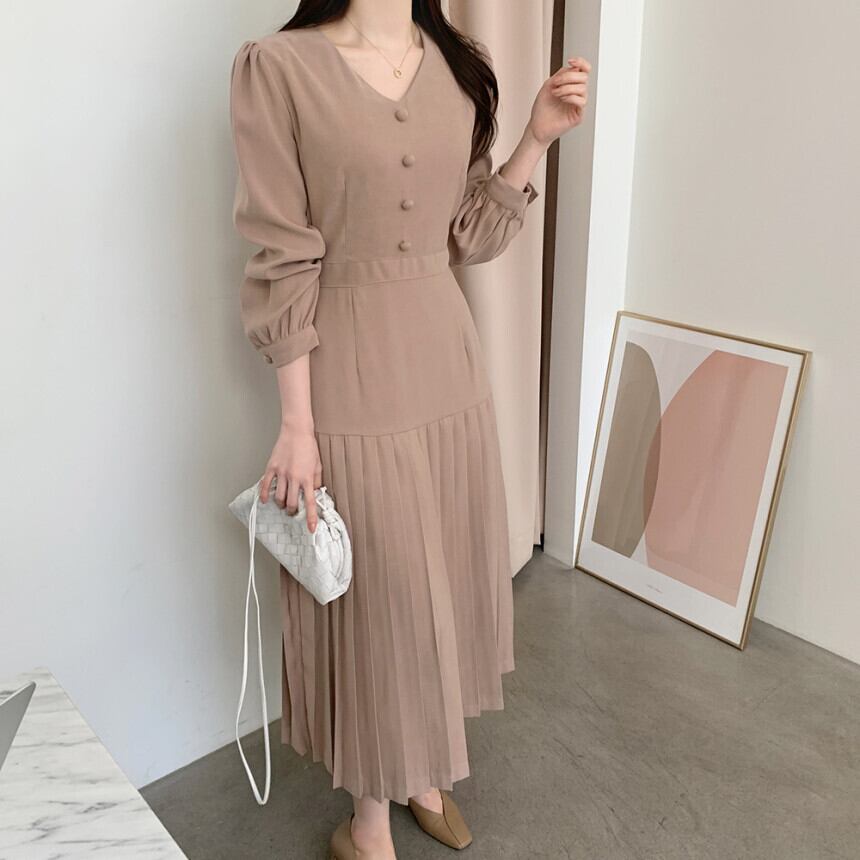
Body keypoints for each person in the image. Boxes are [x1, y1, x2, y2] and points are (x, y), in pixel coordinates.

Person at [228, 2, 589, 857]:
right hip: (346, 370)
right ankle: (367, 821)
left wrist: (535, 139)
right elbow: (282, 254)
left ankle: (421, 767)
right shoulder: (277, 68)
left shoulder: (457, 63)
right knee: (378, 601)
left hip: (446, 363)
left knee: (442, 576)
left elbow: (464, 236)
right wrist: (297, 424)